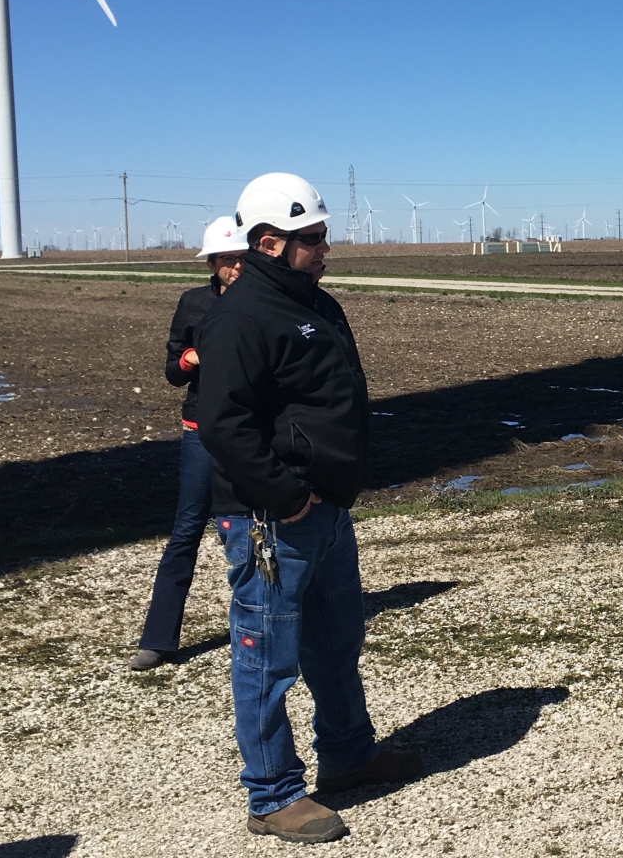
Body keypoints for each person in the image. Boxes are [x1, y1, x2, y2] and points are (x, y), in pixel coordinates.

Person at [196, 173, 420, 843]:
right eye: (314, 238)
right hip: (273, 517)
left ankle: (349, 755)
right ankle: (271, 794)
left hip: (325, 510)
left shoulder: (312, 302)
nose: (327, 248)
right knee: (268, 655)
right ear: (271, 242)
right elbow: (222, 424)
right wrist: (285, 495)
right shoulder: (241, 316)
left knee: (336, 640)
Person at [130, 219, 252, 672]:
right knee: (187, 529)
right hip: (200, 429)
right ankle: (159, 639)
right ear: (211, 263)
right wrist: (189, 358)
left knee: (252, 527)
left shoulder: (263, 303)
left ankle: (267, 625)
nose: (234, 267)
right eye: (225, 260)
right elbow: (171, 370)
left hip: (250, 430)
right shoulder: (193, 304)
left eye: (240, 259)